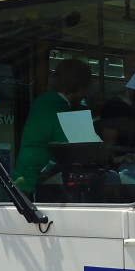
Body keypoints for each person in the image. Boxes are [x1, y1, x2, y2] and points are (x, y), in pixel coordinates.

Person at [12, 58, 93, 192]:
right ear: (82, 86)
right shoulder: (63, 109)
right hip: (40, 183)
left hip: (22, 180)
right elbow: (84, 151)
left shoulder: (43, 102)